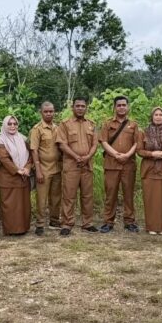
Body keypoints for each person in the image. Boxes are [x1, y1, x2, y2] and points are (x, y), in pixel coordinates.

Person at [55, 97, 99, 236]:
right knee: (69, 195)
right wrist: (76, 156)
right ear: (73, 107)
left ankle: (88, 223)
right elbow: (62, 144)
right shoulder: (65, 124)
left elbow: (94, 144)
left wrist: (87, 157)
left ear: (86, 108)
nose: (80, 108)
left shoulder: (91, 124)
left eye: (83, 106)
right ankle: (67, 223)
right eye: (77, 106)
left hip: (87, 166)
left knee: (87, 196)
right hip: (71, 165)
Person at [99, 96, 139, 233]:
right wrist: (116, 155)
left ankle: (129, 222)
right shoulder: (107, 124)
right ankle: (108, 222)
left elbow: (136, 143)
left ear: (128, 107)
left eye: (124, 105)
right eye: (119, 105)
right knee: (111, 194)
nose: (121, 107)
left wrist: (127, 155)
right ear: (114, 107)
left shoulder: (133, 124)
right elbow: (103, 142)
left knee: (128, 194)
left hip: (128, 164)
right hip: (111, 164)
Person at [136, 107, 162, 234]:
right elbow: (139, 150)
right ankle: (152, 227)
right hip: (149, 170)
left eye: (160, 114)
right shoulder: (144, 132)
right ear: (151, 117)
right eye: (156, 115)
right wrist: (152, 154)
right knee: (151, 199)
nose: (158, 117)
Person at [0, 115, 33, 236]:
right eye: (10, 124)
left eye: (15, 124)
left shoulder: (23, 138)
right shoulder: (1, 140)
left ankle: (23, 228)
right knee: (10, 205)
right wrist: (17, 170)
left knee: (23, 205)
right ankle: (11, 230)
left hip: (23, 177)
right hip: (9, 178)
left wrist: (27, 168)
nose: (12, 126)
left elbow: (31, 155)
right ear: (5, 125)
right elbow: (4, 159)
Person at [29, 102, 62, 235]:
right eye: (46, 111)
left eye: (51, 111)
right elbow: (34, 150)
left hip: (57, 168)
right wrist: (38, 170)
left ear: (54, 112)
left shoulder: (58, 128)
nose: (49, 113)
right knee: (41, 198)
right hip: (43, 168)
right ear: (41, 112)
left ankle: (54, 220)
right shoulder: (37, 129)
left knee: (56, 197)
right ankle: (40, 224)